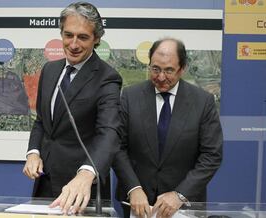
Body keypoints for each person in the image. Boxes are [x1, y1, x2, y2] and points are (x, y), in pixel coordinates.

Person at [22, 1, 122, 215]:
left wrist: (87, 173)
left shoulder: (108, 78)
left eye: (83, 37)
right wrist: (33, 152)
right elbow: (42, 121)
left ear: (96, 39)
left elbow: (109, 133)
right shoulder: (50, 70)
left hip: (82, 189)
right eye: (68, 35)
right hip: (45, 185)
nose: (74, 44)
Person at [113, 38, 223, 218]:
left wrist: (180, 194)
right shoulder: (130, 96)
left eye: (169, 70)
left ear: (183, 69)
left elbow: (211, 156)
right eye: (155, 69)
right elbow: (117, 147)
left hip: (183, 207)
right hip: (138, 205)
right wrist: (133, 188)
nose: (161, 77)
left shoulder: (202, 102)